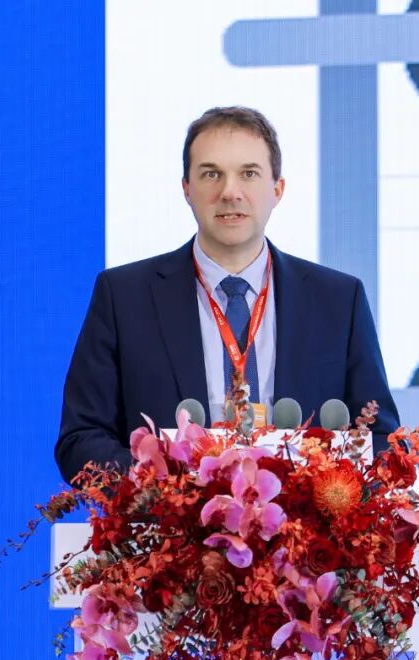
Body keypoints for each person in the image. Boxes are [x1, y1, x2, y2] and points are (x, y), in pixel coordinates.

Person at [55, 106, 399, 481]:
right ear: (186, 189)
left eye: (249, 174)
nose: (229, 192)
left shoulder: (338, 300)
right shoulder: (124, 297)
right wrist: (158, 490)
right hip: (167, 517)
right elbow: (81, 439)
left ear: (278, 189)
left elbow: (381, 439)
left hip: (300, 520)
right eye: (211, 174)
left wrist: (324, 494)